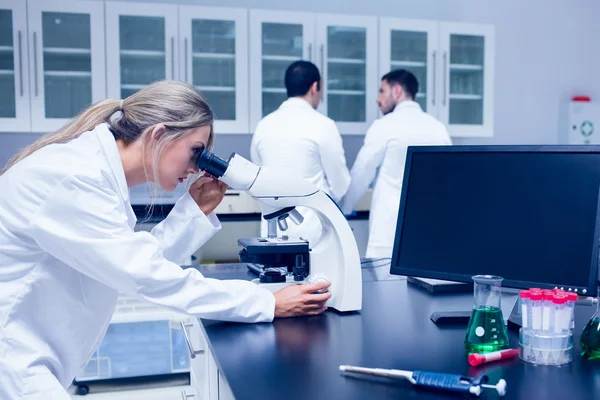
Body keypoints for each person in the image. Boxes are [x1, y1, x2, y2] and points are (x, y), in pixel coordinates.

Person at [0, 81, 331, 399]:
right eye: (195, 152)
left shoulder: (94, 172)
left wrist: (194, 211)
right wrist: (267, 303)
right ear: (158, 134)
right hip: (13, 358)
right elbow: (145, 275)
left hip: (27, 356)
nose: (196, 166)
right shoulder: (75, 178)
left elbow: (134, 261)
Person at [341, 69, 452, 258]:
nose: (378, 99)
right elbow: (449, 179)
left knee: (384, 287)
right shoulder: (438, 129)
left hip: (389, 235)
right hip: (429, 233)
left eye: (382, 91)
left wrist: (342, 210)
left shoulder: (384, 126)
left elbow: (361, 174)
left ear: (397, 91)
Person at [250, 61, 350, 243]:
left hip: (273, 233)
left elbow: (258, 178)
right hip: (315, 232)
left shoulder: (264, 125)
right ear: (314, 87)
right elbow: (340, 185)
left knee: (274, 272)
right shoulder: (324, 125)